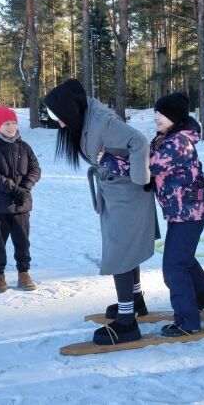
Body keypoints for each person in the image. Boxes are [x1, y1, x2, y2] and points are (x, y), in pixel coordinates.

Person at [43, 79, 157, 346]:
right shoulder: (87, 118)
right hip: (116, 195)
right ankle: (135, 300)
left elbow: (139, 142)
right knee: (125, 251)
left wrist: (142, 180)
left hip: (128, 196)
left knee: (120, 254)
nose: (59, 124)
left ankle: (127, 323)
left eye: (59, 118)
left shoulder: (102, 122)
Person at [149, 93, 204, 337]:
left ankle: (187, 321)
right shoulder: (166, 138)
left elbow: (147, 167)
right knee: (184, 259)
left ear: (176, 117)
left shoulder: (177, 142)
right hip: (181, 211)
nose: (156, 117)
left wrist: (108, 159)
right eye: (156, 112)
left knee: (174, 265)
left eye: (162, 113)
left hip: (188, 213)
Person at [0, 106, 41, 293]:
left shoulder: (24, 147)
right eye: (7, 123)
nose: (11, 126)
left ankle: (24, 274)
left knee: (23, 242)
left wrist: (26, 188)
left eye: (13, 122)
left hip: (21, 206)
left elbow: (35, 169)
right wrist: (15, 189)